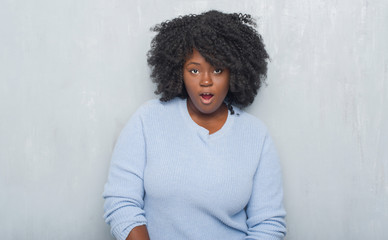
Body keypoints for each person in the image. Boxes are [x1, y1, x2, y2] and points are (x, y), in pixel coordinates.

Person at [103, 10, 286, 240]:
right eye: (194, 70)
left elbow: (268, 225)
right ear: (179, 71)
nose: (206, 80)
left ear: (235, 72)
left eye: (217, 69)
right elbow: (121, 202)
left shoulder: (257, 136)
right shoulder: (147, 120)